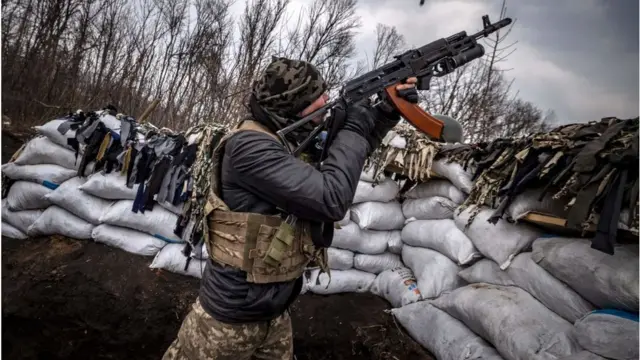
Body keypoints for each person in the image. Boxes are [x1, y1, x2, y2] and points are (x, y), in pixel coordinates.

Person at [162, 57, 418, 360]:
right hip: (227, 324)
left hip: (275, 316)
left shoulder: (288, 140)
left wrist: (384, 113)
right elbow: (331, 198)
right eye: (316, 98)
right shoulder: (249, 147)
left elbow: (345, 160)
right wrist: (354, 124)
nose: (326, 100)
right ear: (290, 106)